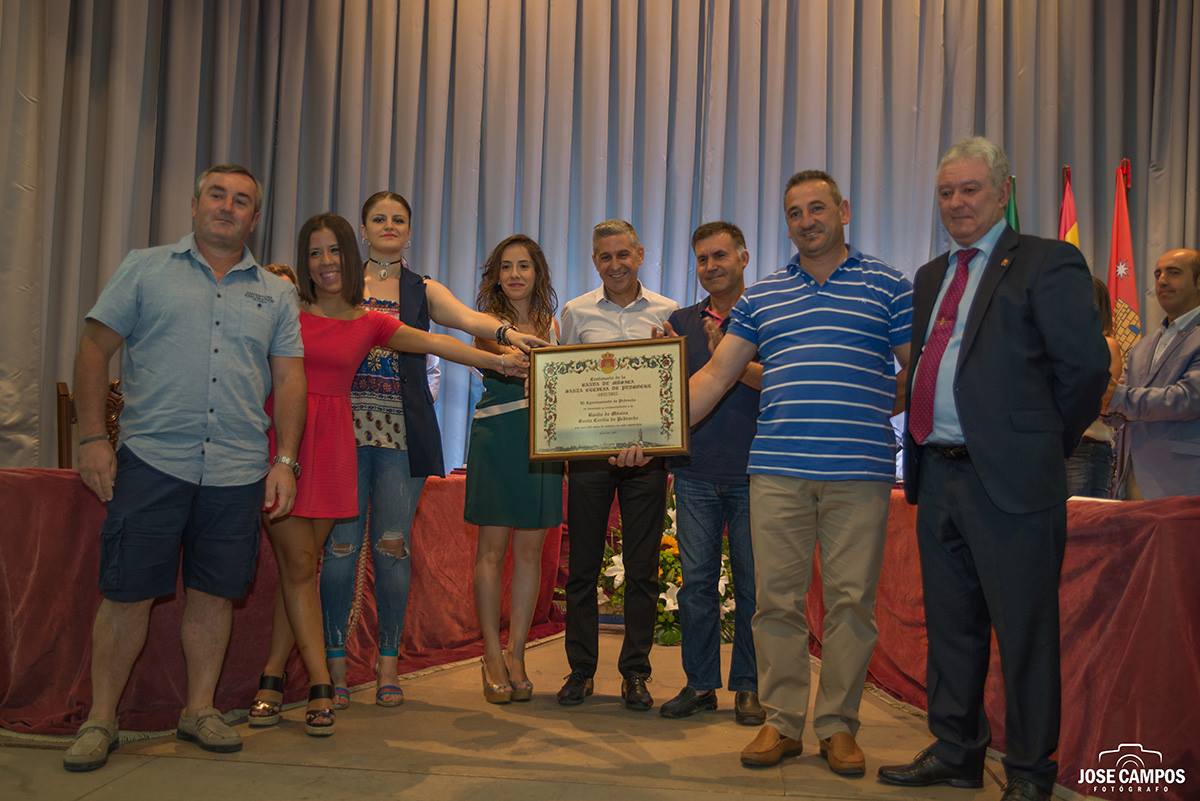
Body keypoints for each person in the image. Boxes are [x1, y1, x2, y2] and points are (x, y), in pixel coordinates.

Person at [640, 173, 912, 774]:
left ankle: (838, 727)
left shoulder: (890, 286)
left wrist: (870, 403)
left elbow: (919, 373)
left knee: (850, 606)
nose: (807, 220)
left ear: (843, 210)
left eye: (818, 208)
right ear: (785, 222)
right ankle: (782, 722)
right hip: (776, 473)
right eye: (794, 212)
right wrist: (645, 432)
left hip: (858, 474)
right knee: (776, 605)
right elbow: (714, 379)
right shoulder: (763, 297)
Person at [877, 137, 1109, 801]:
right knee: (951, 627)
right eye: (946, 192)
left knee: (1025, 632)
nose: (956, 203)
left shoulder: (1047, 261)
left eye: (970, 189)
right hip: (938, 474)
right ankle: (957, 751)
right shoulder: (929, 277)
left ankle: (1032, 771)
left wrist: (1037, 442)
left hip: (1013, 481)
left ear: (1004, 191)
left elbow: (1086, 369)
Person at [63, 165, 307, 772]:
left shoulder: (275, 293)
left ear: (255, 217)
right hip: (152, 461)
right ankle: (101, 719)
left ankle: (198, 710)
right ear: (195, 204)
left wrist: (284, 460)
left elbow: (290, 378)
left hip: (237, 467)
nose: (228, 207)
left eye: (242, 200)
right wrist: (92, 437)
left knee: (215, 595)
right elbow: (94, 348)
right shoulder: (144, 269)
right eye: (217, 195)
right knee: (125, 595)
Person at [247, 214, 528, 737]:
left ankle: (287, 673)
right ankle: (316, 679)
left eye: (334, 252)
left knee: (302, 566)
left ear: (349, 257)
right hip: (286, 443)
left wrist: (501, 360)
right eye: (316, 253)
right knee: (304, 563)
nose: (326, 263)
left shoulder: (369, 321)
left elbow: (440, 343)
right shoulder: (284, 307)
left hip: (336, 445)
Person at [317, 192, 547, 710]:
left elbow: (470, 322)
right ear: (363, 227)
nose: (389, 226)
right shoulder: (340, 282)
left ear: (410, 231)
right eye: (379, 218)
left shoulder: (422, 289)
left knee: (392, 549)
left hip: (403, 434)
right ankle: (333, 666)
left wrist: (511, 334)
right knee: (339, 551)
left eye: (399, 219)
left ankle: (388, 666)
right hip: (340, 433)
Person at [556, 219, 678, 711]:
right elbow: (561, 384)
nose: (615, 264)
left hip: (647, 458)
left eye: (623, 254)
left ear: (640, 253)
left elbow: (674, 387)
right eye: (605, 257)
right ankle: (580, 670)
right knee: (582, 568)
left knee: (643, 569)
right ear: (594, 261)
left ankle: (636, 674)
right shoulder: (575, 312)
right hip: (588, 459)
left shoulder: (670, 312)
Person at [654, 222, 764, 726]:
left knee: (752, 587)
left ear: (743, 257)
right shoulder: (679, 321)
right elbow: (666, 397)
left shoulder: (768, 315)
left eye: (720, 255)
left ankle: (748, 687)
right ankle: (700, 684)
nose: (711, 266)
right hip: (695, 470)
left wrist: (730, 356)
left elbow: (781, 383)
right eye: (702, 259)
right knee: (696, 584)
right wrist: (657, 361)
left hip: (756, 471)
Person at [465, 234, 563, 703]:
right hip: (497, 440)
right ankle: (490, 654)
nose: (516, 275)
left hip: (542, 447)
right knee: (491, 552)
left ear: (537, 273)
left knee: (529, 554)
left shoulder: (554, 324)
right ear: (496, 275)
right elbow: (511, 363)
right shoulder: (487, 324)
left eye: (524, 266)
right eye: (507, 266)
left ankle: (517, 654)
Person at [1109, 247, 1200, 499]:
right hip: (1133, 479)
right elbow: (1122, 402)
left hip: (1184, 482)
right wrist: (1102, 406)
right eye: (1157, 273)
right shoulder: (1143, 345)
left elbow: (1188, 399)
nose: (1162, 280)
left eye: (1174, 272)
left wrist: (1114, 397)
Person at [1064, 277, 1123, 497]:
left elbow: (1101, 399)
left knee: (1084, 528)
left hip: (1085, 449)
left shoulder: (1106, 345)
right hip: (1051, 449)